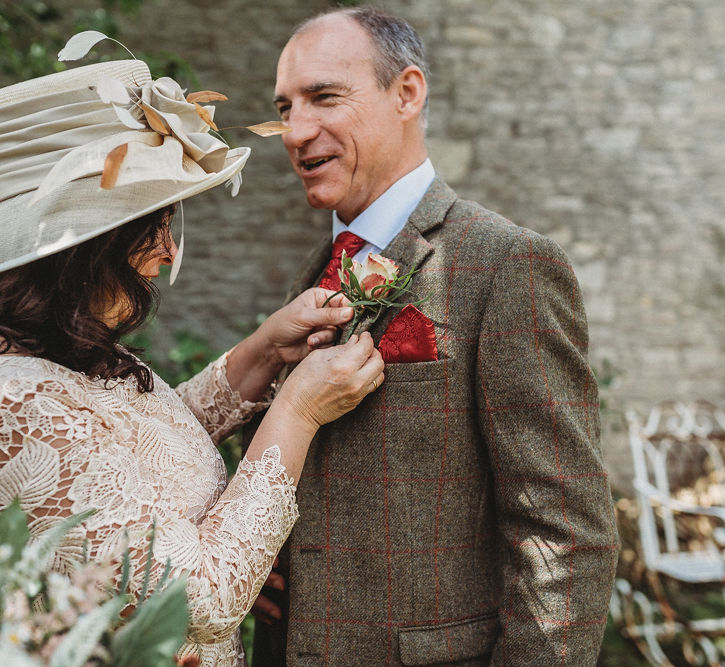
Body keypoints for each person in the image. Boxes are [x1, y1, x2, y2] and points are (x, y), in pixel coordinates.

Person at [0, 55, 385, 666]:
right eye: (154, 227)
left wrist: (262, 354)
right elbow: (198, 600)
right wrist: (297, 413)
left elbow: (133, 463)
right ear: (89, 249)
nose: (168, 254)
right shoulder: (15, 406)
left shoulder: (36, 351)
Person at [251, 7, 619, 666]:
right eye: (284, 108)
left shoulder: (506, 265)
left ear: (407, 93)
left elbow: (564, 530)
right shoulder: (311, 279)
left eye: (324, 98)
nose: (296, 131)